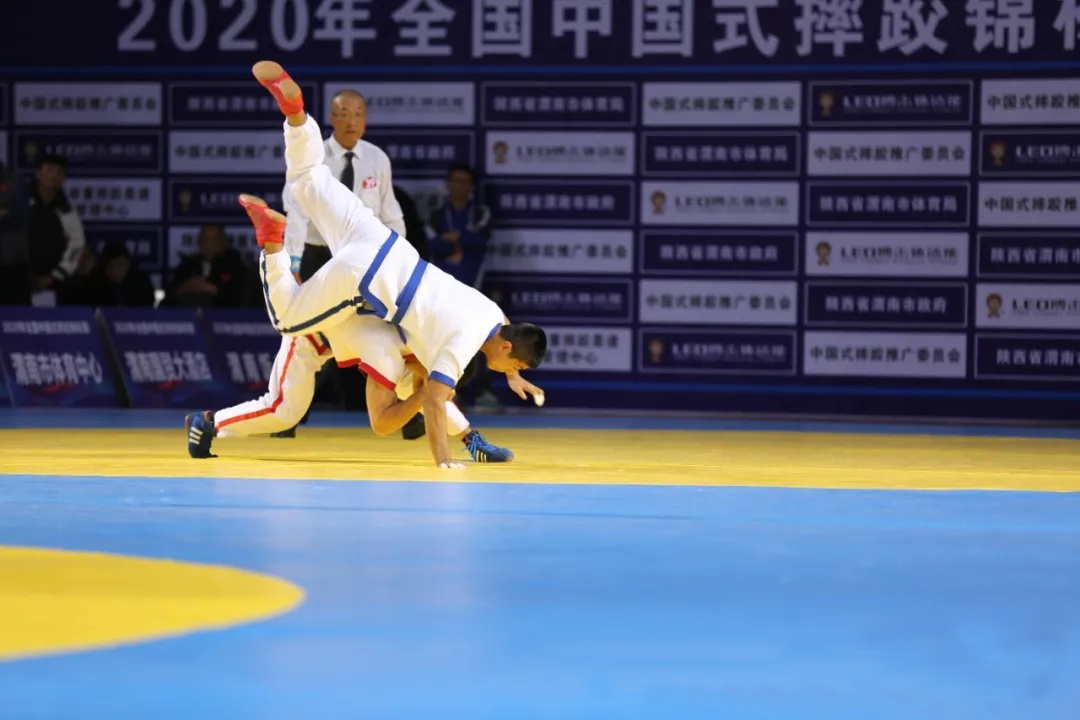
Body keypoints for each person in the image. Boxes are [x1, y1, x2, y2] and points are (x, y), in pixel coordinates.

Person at [245, 60, 546, 469]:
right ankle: (272, 244)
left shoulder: (491, 314)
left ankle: (297, 116)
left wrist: (512, 373)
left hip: (383, 241)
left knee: (307, 178)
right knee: (286, 318)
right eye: (512, 365)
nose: (505, 370)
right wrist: (443, 461)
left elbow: (508, 328)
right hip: (371, 275)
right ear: (506, 348)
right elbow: (435, 401)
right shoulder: (461, 347)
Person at [183, 313, 515, 462]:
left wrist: (467, 435)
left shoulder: (430, 346)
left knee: (420, 391)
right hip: (309, 336)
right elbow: (382, 423)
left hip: (342, 332)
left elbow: (432, 394)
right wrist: (423, 394)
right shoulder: (391, 353)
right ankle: (209, 422)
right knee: (284, 411)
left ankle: (471, 439)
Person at [277, 87, 407, 438]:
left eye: (359, 114)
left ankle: (408, 413)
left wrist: (399, 258)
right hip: (320, 254)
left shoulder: (377, 158)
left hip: (368, 257)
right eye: (344, 114)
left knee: (385, 331)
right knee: (306, 333)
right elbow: (296, 212)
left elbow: (391, 214)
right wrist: (293, 262)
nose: (352, 121)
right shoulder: (315, 158)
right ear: (331, 118)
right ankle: (288, 415)